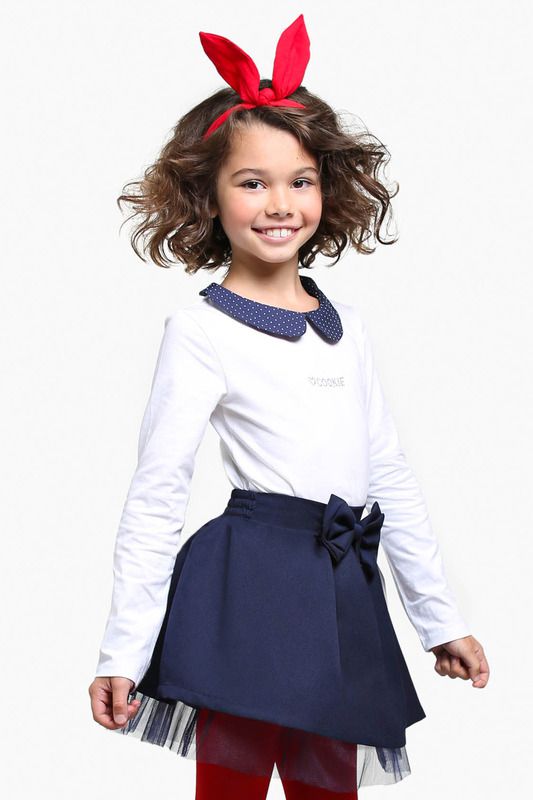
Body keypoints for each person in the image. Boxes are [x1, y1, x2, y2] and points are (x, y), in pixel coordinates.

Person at [88, 14, 490, 800]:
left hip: (340, 589)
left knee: (326, 789)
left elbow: (386, 472)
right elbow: (158, 491)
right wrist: (122, 651)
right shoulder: (202, 331)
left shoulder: (348, 329)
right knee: (231, 788)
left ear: (326, 188)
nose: (279, 203)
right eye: (251, 182)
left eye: (299, 180)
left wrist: (438, 618)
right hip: (247, 591)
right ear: (207, 196)